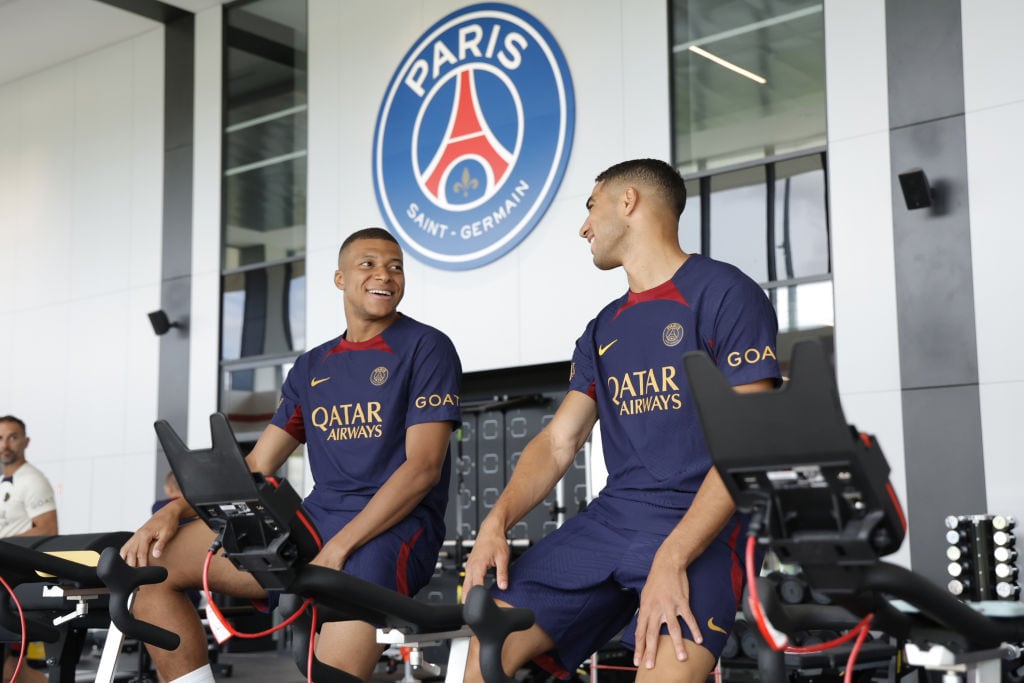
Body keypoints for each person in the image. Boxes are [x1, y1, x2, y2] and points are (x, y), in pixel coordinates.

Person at [462, 159, 781, 683]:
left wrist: (673, 555)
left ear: (627, 201)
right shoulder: (602, 328)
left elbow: (749, 440)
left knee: (664, 664)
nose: (584, 226)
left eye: (591, 207)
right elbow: (560, 441)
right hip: (614, 518)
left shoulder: (725, 293)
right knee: (488, 641)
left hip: (702, 517)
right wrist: (496, 521)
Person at [120, 227, 463, 683]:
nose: (385, 274)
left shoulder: (426, 346)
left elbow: (422, 469)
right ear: (339, 278)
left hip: (391, 530)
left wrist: (338, 550)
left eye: (395, 266)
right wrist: (173, 512)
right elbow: (258, 465)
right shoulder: (312, 366)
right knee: (153, 568)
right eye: (368, 264)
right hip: (317, 523)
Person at [1, 415, 56, 683]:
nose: (5, 445)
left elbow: (47, 528)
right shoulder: (3, 482)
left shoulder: (32, 480)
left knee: (10, 669)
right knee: (10, 668)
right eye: (0, 438)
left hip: (14, 577)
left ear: (25, 441)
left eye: (12, 437)